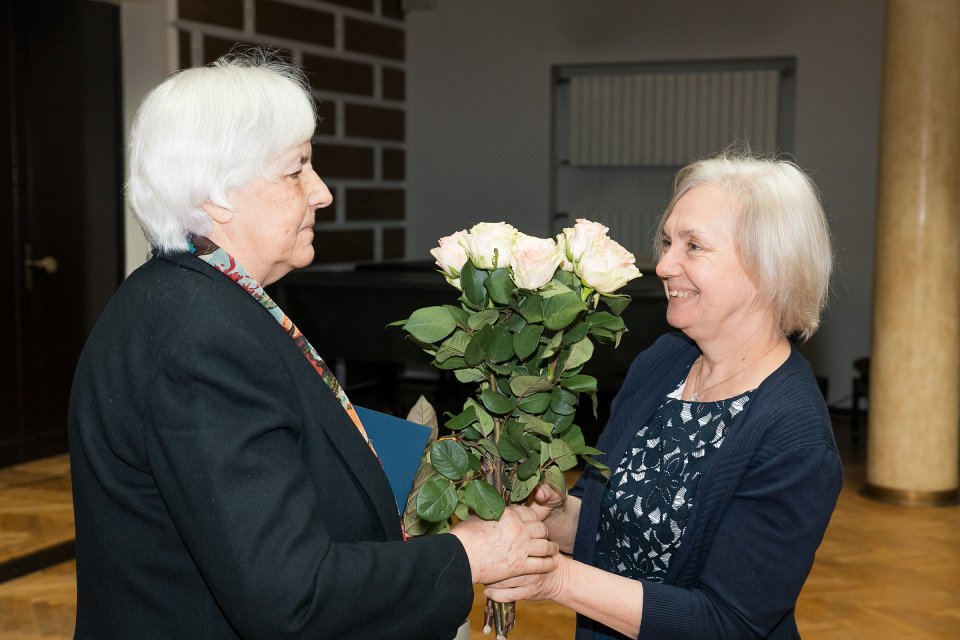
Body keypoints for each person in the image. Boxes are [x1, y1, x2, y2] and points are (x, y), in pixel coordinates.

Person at [68, 50, 557, 640]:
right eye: (296, 169)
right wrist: (469, 555)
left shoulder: (192, 297)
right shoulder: (201, 339)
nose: (322, 193)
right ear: (216, 196)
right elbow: (289, 594)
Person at [486, 152, 843, 639]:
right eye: (668, 241)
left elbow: (727, 623)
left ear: (768, 267)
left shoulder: (794, 436)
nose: (665, 264)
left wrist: (555, 579)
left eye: (693, 246)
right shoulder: (665, 361)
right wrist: (549, 515)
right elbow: (606, 519)